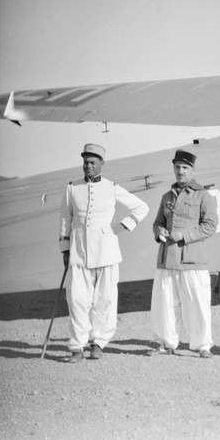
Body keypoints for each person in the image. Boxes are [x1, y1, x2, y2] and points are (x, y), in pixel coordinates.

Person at [59, 143, 150, 363]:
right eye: (85, 162)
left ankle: (98, 343)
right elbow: (65, 220)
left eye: (92, 162)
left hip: (107, 253)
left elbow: (141, 207)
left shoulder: (112, 187)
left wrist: (124, 225)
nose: (88, 166)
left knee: (105, 300)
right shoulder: (72, 188)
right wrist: (65, 249)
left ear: (101, 164)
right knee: (77, 300)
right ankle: (77, 348)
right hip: (79, 253)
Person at [149, 149, 218, 358]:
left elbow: (211, 225)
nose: (180, 171)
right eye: (177, 167)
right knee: (165, 304)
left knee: (197, 303)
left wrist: (184, 235)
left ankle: (203, 345)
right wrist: (159, 231)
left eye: (185, 168)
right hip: (167, 258)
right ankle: (167, 342)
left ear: (193, 170)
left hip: (192, 259)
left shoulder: (203, 196)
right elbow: (158, 222)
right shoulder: (166, 196)